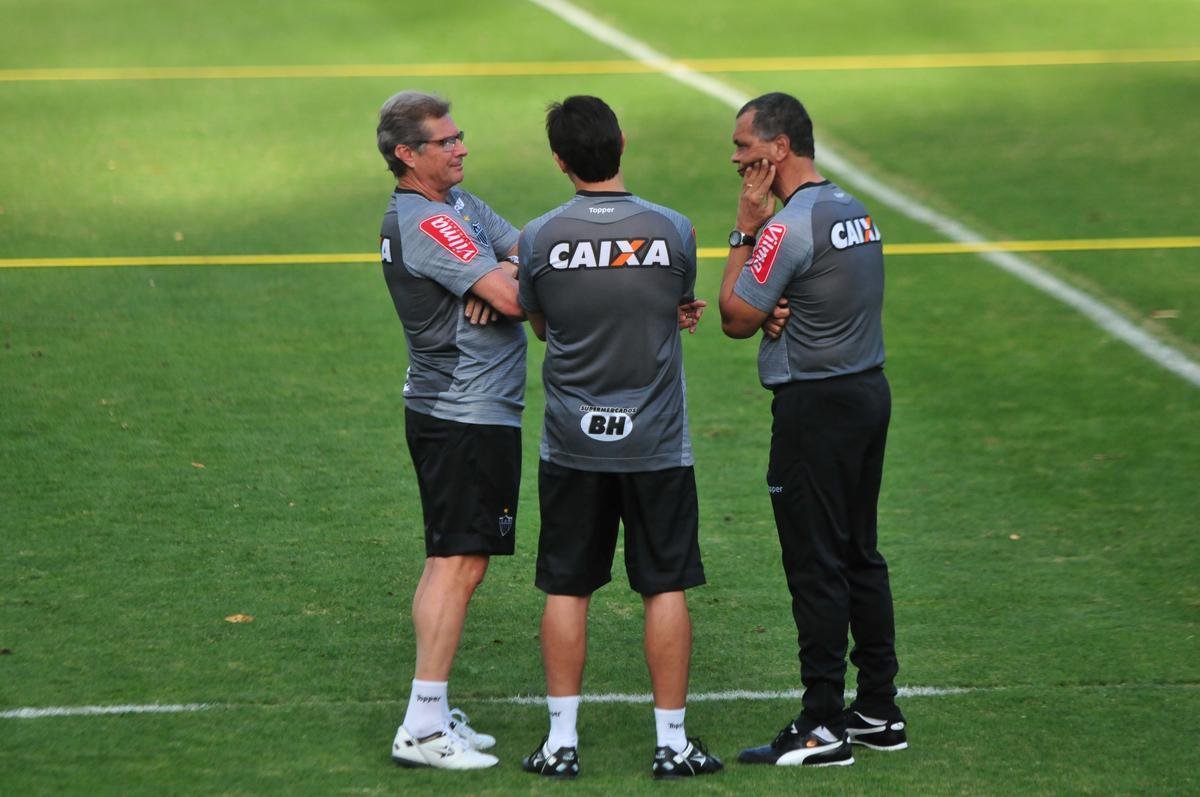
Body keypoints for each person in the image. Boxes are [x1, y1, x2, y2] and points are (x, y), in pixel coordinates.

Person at [515, 95, 722, 780]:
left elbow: (543, 326)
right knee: (664, 585)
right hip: (657, 442)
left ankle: (561, 743)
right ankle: (671, 742)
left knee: (568, 587)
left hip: (572, 443)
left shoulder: (540, 236)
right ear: (622, 143)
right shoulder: (674, 230)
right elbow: (675, 305)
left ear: (559, 160)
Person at [718, 92, 908, 767]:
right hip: (865, 393)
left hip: (815, 410)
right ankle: (880, 708)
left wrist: (745, 227)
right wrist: (780, 306)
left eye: (744, 146)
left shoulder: (787, 227)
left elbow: (736, 315)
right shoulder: (855, 210)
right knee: (860, 550)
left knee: (815, 561)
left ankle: (823, 722)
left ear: (778, 149)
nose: (736, 157)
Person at [376, 90, 526, 770]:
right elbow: (520, 297)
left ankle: (431, 711)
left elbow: (529, 259)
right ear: (408, 155)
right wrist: (497, 282)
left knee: (453, 558)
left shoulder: (457, 207)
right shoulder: (428, 223)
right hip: (461, 410)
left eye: (460, 136)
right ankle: (424, 726)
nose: (462, 147)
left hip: (470, 409)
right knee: (458, 561)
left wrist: (502, 276)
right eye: (446, 141)